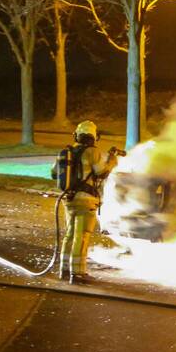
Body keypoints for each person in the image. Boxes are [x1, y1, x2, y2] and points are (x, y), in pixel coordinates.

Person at [53, 120, 119, 284]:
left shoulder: (67, 152)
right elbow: (101, 172)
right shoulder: (92, 152)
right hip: (86, 200)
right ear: (94, 137)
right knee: (81, 237)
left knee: (69, 235)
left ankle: (65, 270)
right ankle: (78, 273)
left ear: (76, 135)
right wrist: (112, 160)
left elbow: (54, 173)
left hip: (69, 199)